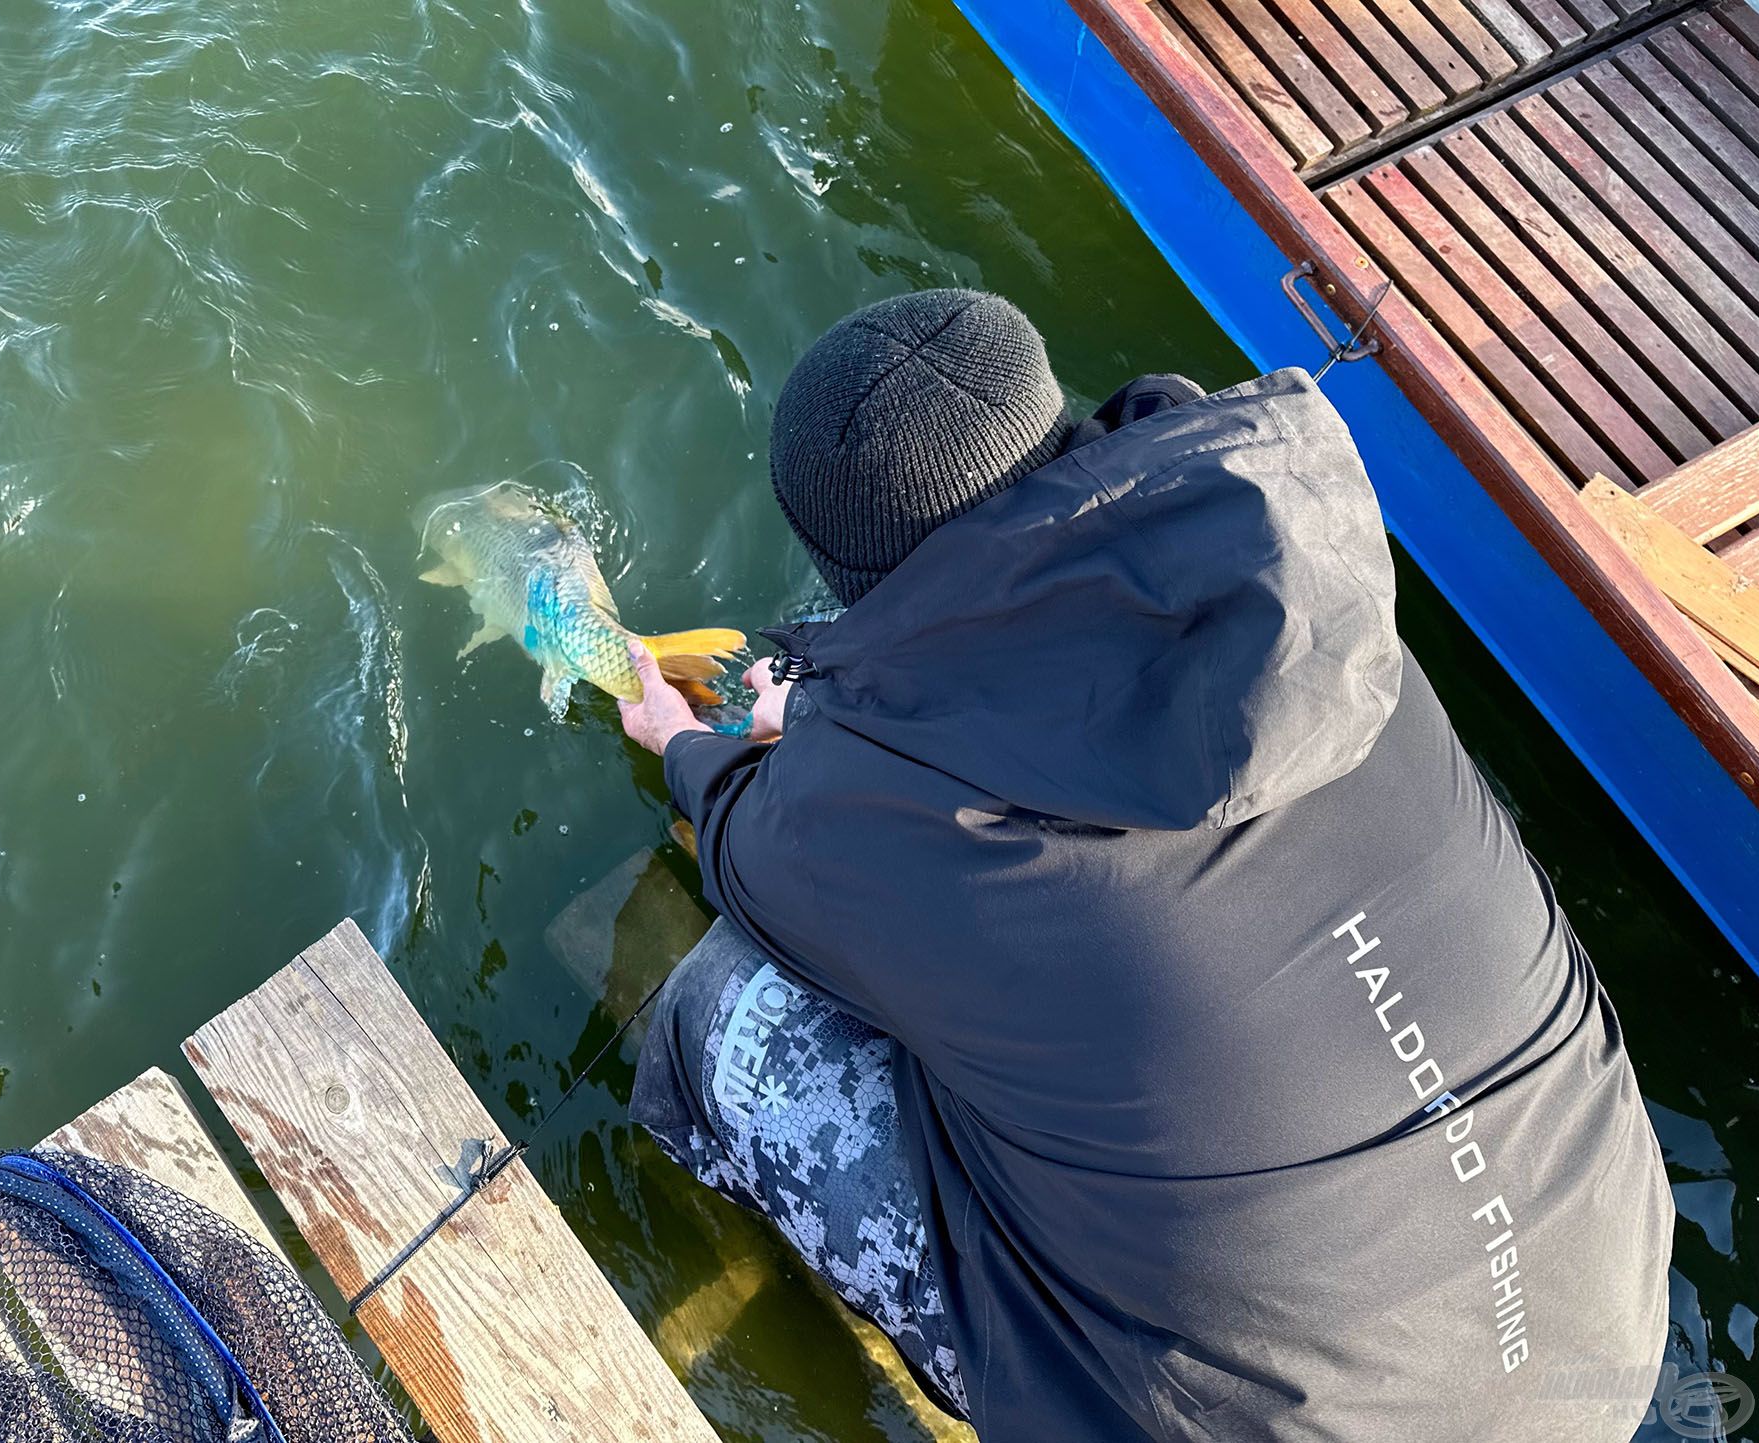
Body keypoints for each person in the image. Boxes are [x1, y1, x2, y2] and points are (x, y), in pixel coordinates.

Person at [617, 289, 1676, 1441]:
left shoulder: (856, 819)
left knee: (724, 1011)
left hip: (1296, 1426)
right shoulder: (1311, 600)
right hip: (1601, 1325)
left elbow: (746, 842)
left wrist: (687, 744)